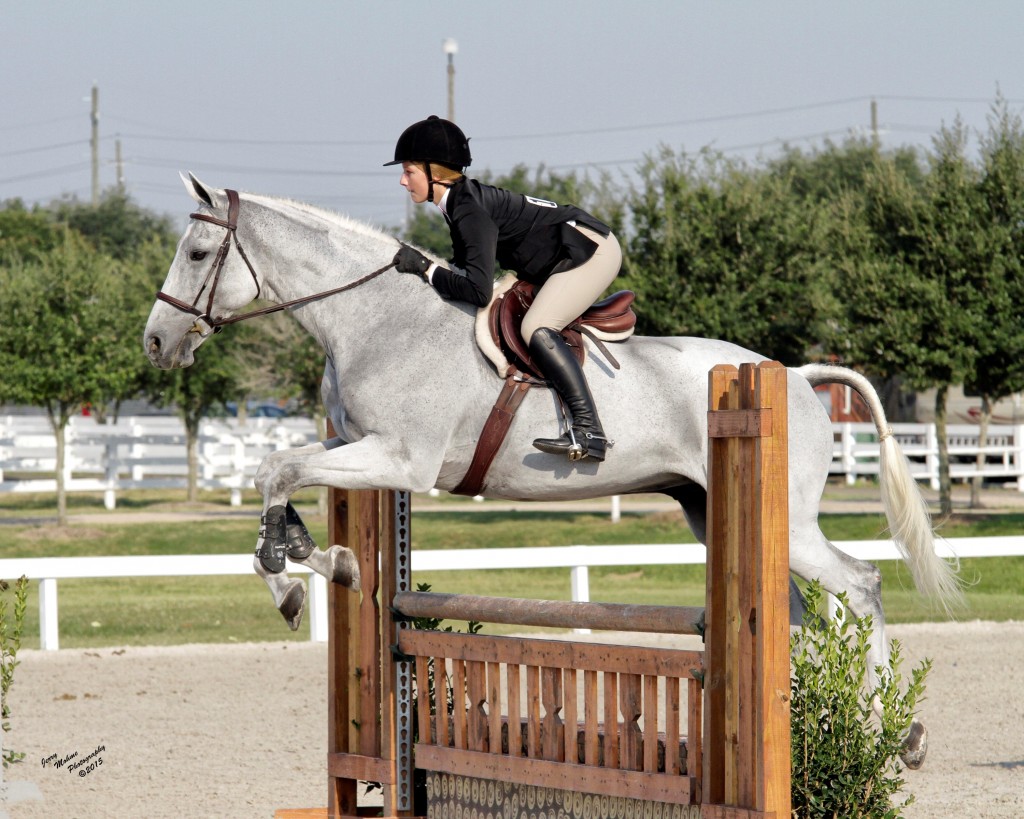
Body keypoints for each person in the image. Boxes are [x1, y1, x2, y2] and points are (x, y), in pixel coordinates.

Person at [385, 115, 622, 462]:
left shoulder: (469, 209)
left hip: (589, 249)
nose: (403, 181)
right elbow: (466, 271)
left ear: (434, 172)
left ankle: (589, 432)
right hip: (560, 253)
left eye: (409, 171)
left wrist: (425, 267)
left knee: (537, 328)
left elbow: (477, 290)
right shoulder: (457, 203)